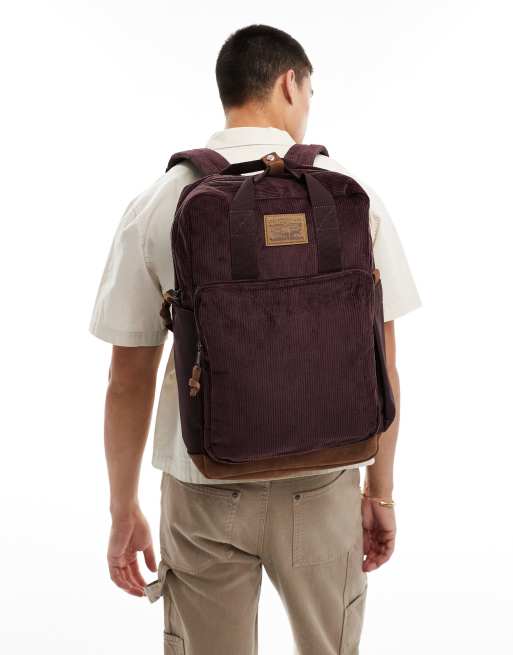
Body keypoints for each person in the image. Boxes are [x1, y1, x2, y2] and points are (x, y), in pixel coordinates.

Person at [89, 23, 421, 655]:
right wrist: (380, 491)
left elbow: (126, 379)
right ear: (290, 84)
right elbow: (384, 361)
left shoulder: (160, 201)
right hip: (323, 484)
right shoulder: (351, 194)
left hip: (202, 484)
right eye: (310, 91)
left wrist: (121, 508)